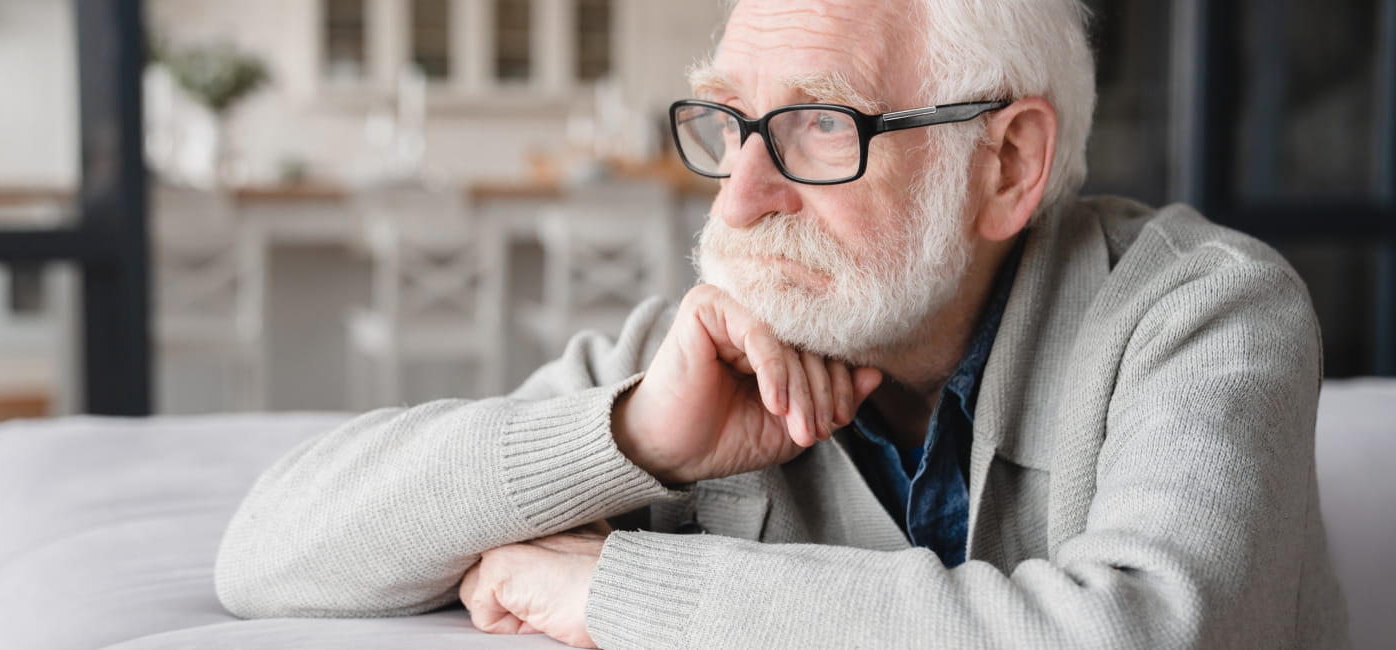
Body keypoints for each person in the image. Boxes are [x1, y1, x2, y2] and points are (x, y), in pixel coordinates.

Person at [216, 0, 1349, 647]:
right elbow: (264, 554)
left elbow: (1142, 633)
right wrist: (629, 437)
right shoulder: (718, 345)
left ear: (1007, 163)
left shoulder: (1209, 311)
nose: (739, 195)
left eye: (815, 125)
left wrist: (616, 589)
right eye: (728, 123)